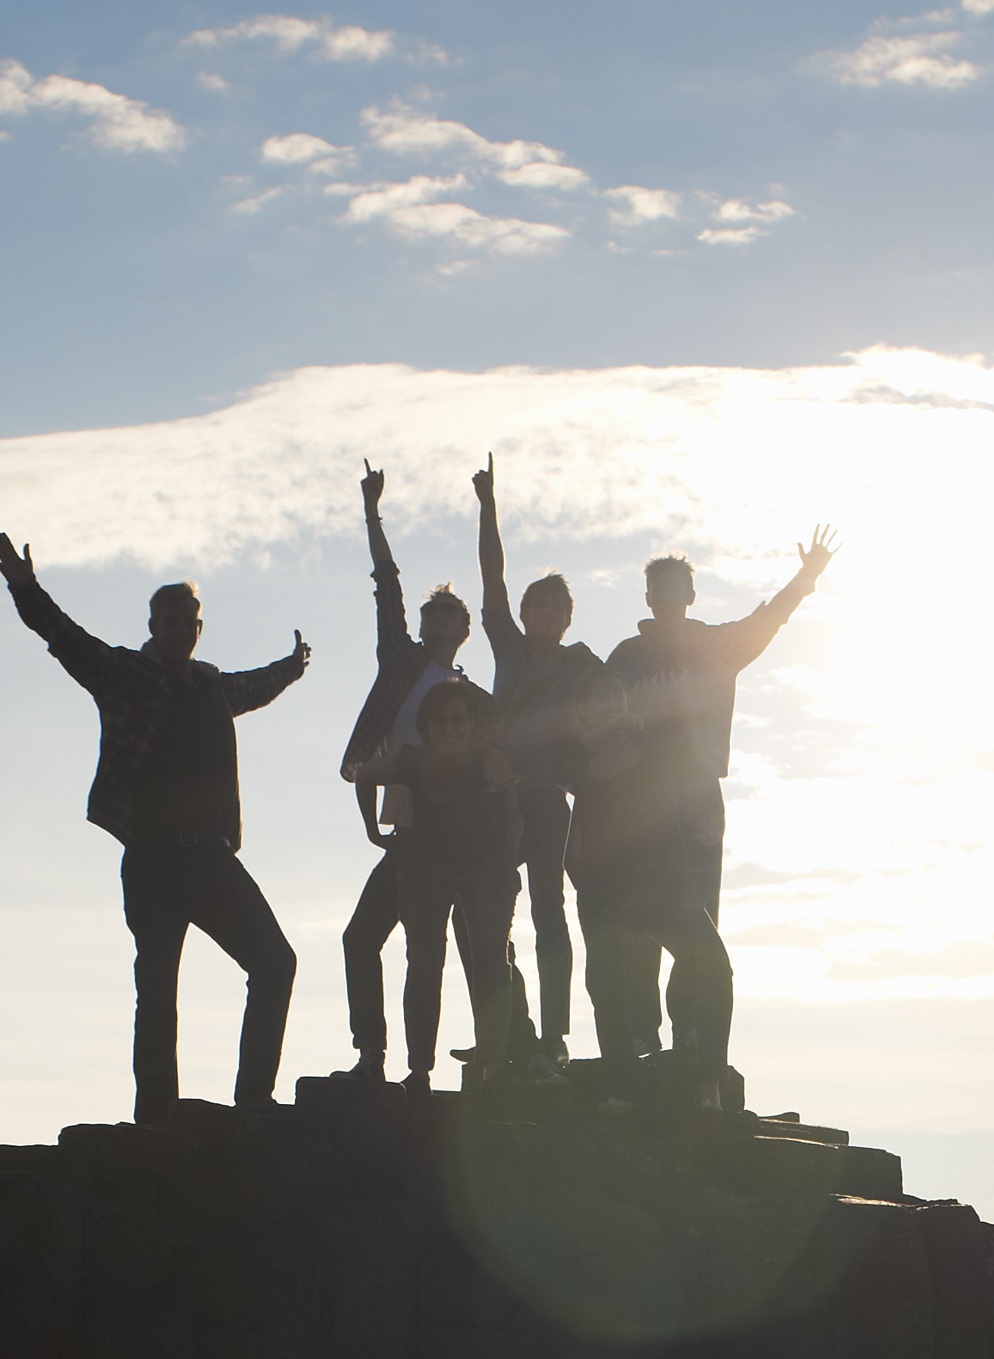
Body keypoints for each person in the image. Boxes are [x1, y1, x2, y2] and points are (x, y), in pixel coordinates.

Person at [0, 532, 308, 1119]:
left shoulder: (213, 689)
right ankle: (158, 1115)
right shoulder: (125, 675)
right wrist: (25, 587)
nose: (179, 629)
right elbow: (65, 638)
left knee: (274, 961)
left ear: (199, 628)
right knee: (158, 988)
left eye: (188, 620)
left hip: (211, 858)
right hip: (153, 858)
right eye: (168, 620)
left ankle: (254, 1101)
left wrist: (294, 666)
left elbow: (254, 686)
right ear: (152, 624)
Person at [575, 526, 834, 1095]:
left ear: (690, 595)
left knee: (696, 922)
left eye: (676, 586)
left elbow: (767, 622)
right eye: (656, 587)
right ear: (647, 598)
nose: (666, 595)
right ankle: (642, 1033)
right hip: (635, 799)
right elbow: (589, 711)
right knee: (637, 918)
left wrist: (806, 577)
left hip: (695, 795)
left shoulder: (714, 645)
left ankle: (691, 1035)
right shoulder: (626, 656)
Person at [338, 466, 534, 1082]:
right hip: (412, 838)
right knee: (369, 941)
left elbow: (505, 761)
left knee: (485, 951)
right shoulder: (401, 663)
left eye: (448, 613)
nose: (436, 620)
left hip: (467, 838)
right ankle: (376, 1056)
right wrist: (373, 512)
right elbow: (385, 588)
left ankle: (511, 1056)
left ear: (465, 628)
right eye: (431, 613)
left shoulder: (472, 699)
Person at [474, 456, 611, 1051]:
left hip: (548, 797)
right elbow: (492, 576)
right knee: (488, 910)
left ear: (566, 618)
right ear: (525, 614)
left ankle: (555, 1035)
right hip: (497, 794)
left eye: (557, 609)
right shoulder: (507, 645)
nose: (545, 615)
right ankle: (507, 1032)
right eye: (538, 607)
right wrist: (488, 506)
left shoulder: (581, 665)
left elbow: (616, 709)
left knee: (548, 911)